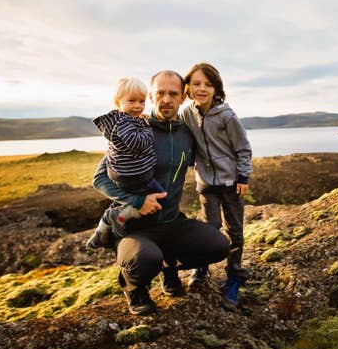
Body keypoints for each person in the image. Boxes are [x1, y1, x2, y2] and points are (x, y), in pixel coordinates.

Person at [91, 70, 230, 315]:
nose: (166, 99)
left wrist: (239, 176)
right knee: (145, 260)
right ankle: (134, 288)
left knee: (218, 246)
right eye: (160, 93)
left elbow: (214, 153)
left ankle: (169, 267)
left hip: (171, 221)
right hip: (135, 227)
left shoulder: (187, 134)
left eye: (173, 94)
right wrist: (137, 201)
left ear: (183, 97)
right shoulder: (132, 131)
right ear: (151, 97)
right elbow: (100, 179)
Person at [180, 62, 252, 308]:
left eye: (208, 85)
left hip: (231, 183)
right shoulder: (186, 113)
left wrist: (243, 177)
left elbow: (243, 149)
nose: (202, 89)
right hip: (206, 183)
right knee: (209, 229)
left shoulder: (227, 116)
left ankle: (234, 275)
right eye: (197, 84)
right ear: (188, 88)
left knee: (235, 231)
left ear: (216, 88)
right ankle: (201, 268)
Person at [86, 76, 164, 249]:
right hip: (132, 175)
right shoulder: (123, 122)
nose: (137, 106)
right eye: (131, 101)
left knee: (125, 199)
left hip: (127, 175)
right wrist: (148, 127)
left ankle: (101, 231)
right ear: (118, 102)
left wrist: (141, 121)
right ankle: (116, 217)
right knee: (159, 198)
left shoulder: (125, 120)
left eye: (141, 101)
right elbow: (138, 142)